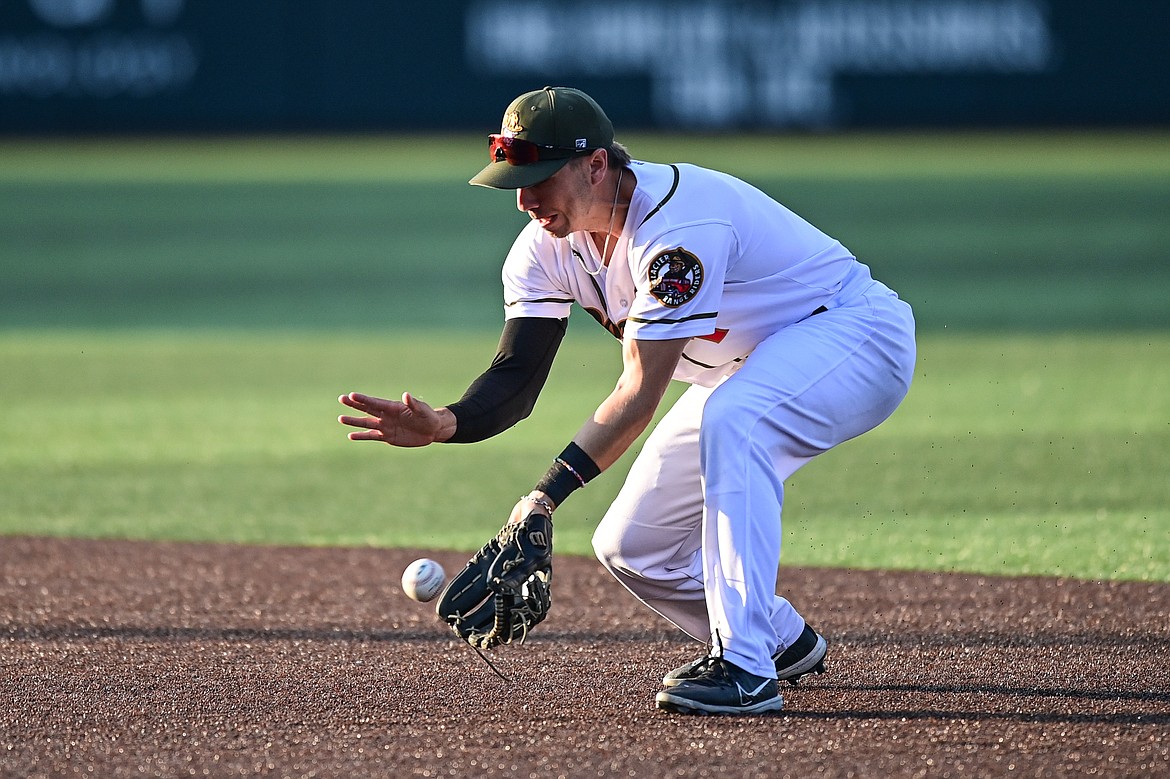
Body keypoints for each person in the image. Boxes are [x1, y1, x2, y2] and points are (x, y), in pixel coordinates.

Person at [338, 86, 916, 715]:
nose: (526, 200)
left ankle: (746, 668)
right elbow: (517, 377)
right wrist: (449, 422)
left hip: (855, 337)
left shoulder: (676, 231)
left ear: (595, 165)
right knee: (632, 546)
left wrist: (542, 498)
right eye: (515, 182)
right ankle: (781, 642)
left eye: (539, 178)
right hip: (752, 366)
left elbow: (640, 394)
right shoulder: (544, 249)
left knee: (735, 421)